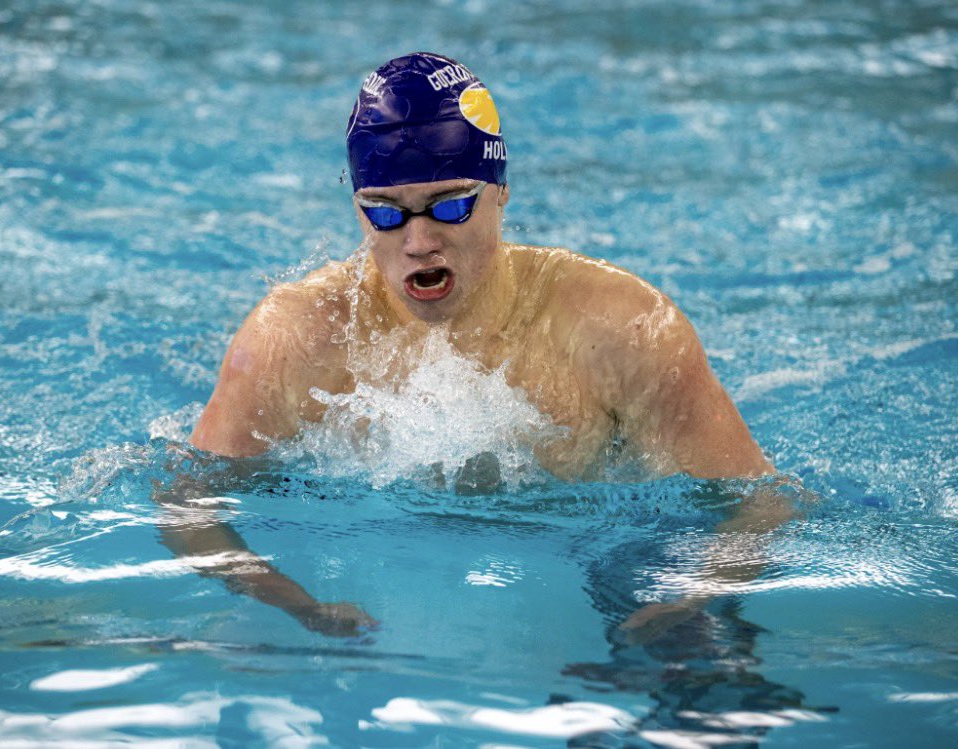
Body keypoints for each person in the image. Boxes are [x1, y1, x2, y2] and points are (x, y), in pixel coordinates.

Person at [166, 52, 794, 640]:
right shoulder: (294, 339)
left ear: (500, 191)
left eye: (449, 206)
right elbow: (187, 503)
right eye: (385, 212)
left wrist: (684, 600)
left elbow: (759, 507)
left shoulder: (618, 329)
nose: (418, 241)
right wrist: (299, 609)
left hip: (602, 555)